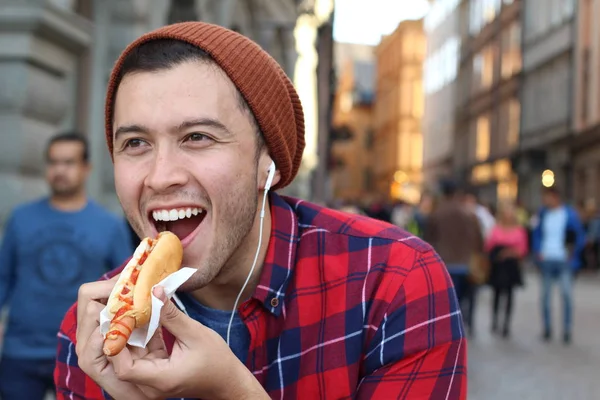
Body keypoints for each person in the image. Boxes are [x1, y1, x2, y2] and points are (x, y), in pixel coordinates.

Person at [54, 22, 467, 400]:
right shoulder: (93, 336)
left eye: (197, 136)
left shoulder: (394, 280)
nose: (160, 177)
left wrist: (233, 390)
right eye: (136, 144)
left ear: (266, 160)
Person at [0, 132, 133, 400]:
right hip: (20, 352)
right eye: (53, 162)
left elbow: (125, 288)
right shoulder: (21, 219)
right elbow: (3, 279)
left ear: (86, 168)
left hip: (81, 352)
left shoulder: (108, 226)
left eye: (68, 162)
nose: (59, 170)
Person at [531, 186, 585, 344]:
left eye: (547, 197)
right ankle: (547, 328)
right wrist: (538, 251)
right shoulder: (542, 214)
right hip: (547, 258)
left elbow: (578, 235)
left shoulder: (569, 214)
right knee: (545, 297)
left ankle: (567, 329)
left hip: (564, 260)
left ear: (555, 197)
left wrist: (573, 253)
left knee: (567, 295)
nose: (545, 200)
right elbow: (537, 234)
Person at [425, 180, 483, 316]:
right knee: (465, 297)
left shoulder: (437, 213)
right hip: (465, 262)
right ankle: (466, 322)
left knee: (447, 301)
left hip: (443, 262)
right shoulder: (468, 213)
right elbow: (478, 238)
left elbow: (428, 239)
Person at [485, 202, 528, 337]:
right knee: (496, 294)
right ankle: (495, 320)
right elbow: (488, 246)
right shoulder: (496, 228)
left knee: (509, 295)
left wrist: (508, 253)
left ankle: (506, 324)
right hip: (498, 266)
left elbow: (523, 249)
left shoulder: (519, 230)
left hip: (511, 266)